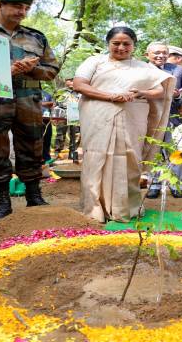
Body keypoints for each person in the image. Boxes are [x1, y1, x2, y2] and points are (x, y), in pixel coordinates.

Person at [74, 27, 175, 223]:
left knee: (129, 158)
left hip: (132, 117)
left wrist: (140, 93)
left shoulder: (144, 67)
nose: (121, 47)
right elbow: (80, 85)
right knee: (95, 157)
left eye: (126, 43)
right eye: (116, 43)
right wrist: (111, 96)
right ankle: (95, 208)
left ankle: (127, 206)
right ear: (108, 44)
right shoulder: (95, 62)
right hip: (98, 115)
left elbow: (161, 92)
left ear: (134, 45)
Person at [0, 0, 60, 219]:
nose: (22, 12)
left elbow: (52, 70)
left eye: (25, 8)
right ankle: (2, 202)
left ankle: (34, 196)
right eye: (16, 6)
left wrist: (33, 70)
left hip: (29, 100)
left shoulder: (36, 37)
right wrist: (8, 70)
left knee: (32, 147)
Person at [143, 42, 182, 199]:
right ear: (147, 55)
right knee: (153, 149)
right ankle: (154, 184)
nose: (161, 55)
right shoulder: (141, 70)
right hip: (149, 116)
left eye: (164, 52)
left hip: (173, 117)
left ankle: (175, 184)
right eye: (157, 52)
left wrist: (178, 95)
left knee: (175, 150)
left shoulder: (179, 70)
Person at [53, 77, 81, 163]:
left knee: (75, 134)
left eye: (73, 80)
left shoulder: (80, 91)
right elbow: (55, 104)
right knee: (60, 134)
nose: (71, 82)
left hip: (75, 114)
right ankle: (57, 152)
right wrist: (55, 117)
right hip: (62, 115)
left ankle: (72, 153)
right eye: (69, 80)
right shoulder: (60, 92)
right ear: (66, 82)